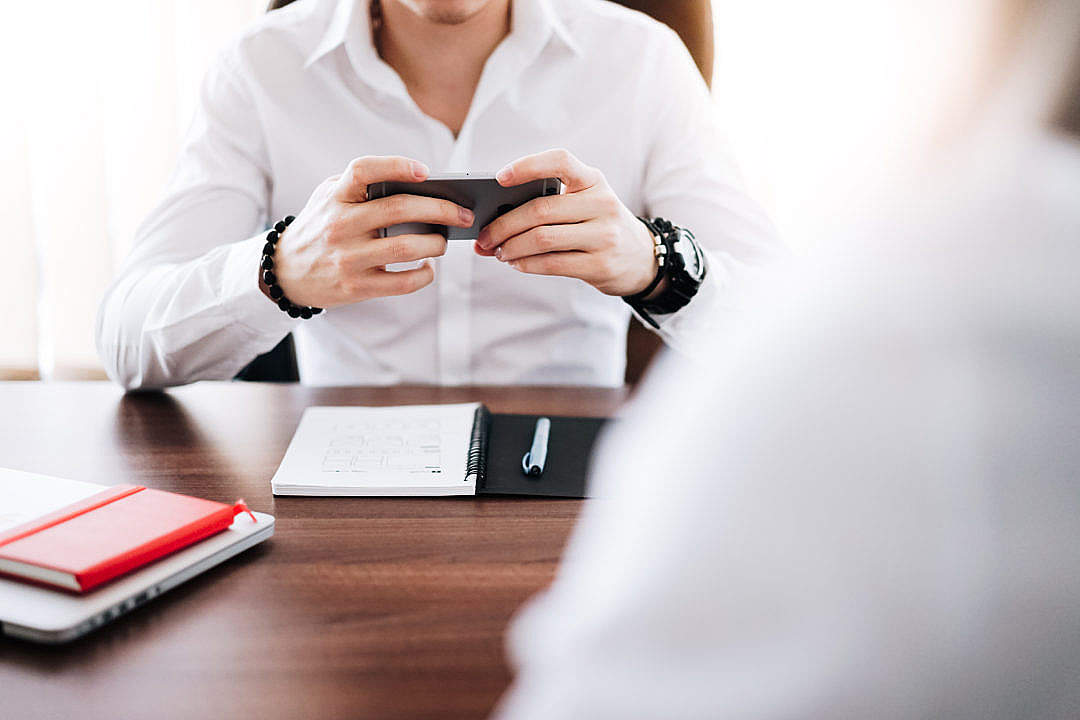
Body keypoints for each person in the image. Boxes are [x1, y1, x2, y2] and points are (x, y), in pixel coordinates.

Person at [494, 0, 1080, 717]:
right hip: (327, 497)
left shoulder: (641, 58)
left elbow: (764, 307)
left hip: (567, 507)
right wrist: (305, 283)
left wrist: (654, 262)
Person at [95, 0, 778, 390]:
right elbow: (128, 341)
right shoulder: (258, 67)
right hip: (341, 495)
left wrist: (658, 262)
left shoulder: (644, 61)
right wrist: (278, 271)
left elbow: (785, 335)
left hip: (572, 490)